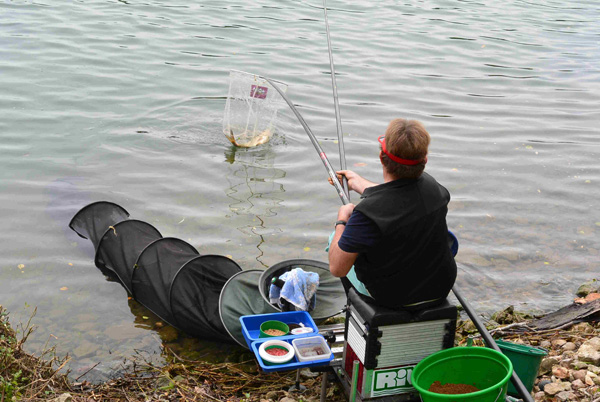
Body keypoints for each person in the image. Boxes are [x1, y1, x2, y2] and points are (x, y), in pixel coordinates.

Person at [328, 118, 457, 310]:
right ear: (425, 161)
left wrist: (342, 219)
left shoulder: (366, 215)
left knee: (336, 240)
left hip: (391, 298)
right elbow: (399, 197)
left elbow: (337, 269)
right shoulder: (436, 189)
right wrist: (358, 182)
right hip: (439, 288)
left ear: (382, 158)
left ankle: (359, 309)